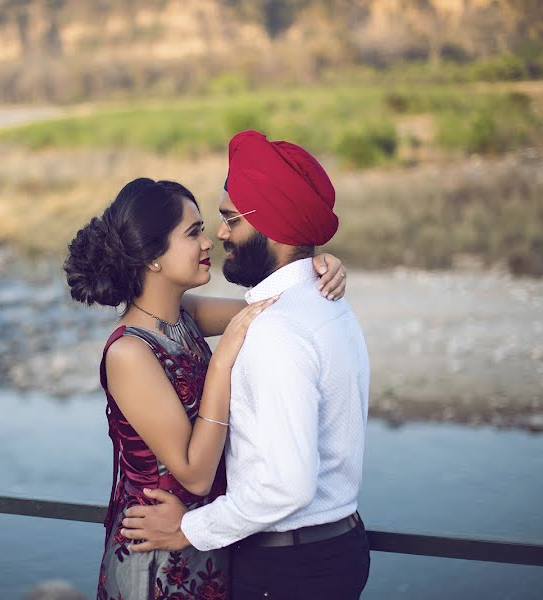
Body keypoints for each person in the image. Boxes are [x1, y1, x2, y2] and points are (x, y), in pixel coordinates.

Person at [63, 176, 349, 600]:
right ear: (153, 256)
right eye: (193, 232)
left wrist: (317, 268)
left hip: (207, 536)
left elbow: (273, 310)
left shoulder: (186, 315)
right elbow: (195, 474)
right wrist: (223, 362)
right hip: (159, 557)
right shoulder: (128, 353)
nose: (208, 242)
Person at [119, 131, 372, 600]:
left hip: (287, 566)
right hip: (330, 549)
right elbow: (207, 312)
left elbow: (288, 488)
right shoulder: (325, 306)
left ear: (272, 226)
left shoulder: (278, 329)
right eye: (199, 228)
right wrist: (313, 264)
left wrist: (192, 529)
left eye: (229, 220)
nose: (219, 235)